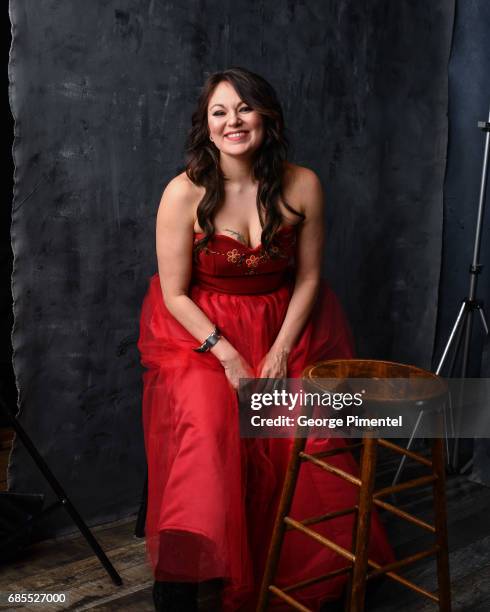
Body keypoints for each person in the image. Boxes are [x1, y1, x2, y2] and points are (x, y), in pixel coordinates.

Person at [137, 67, 394, 612]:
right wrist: (228, 354)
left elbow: (307, 278)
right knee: (208, 424)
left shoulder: (303, 183)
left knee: (307, 425)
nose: (234, 121)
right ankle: (186, 575)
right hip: (203, 333)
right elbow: (175, 294)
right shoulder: (182, 193)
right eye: (219, 112)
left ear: (266, 117)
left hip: (287, 324)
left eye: (244, 109)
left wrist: (278, 351)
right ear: (205, 127)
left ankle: (317, 565)